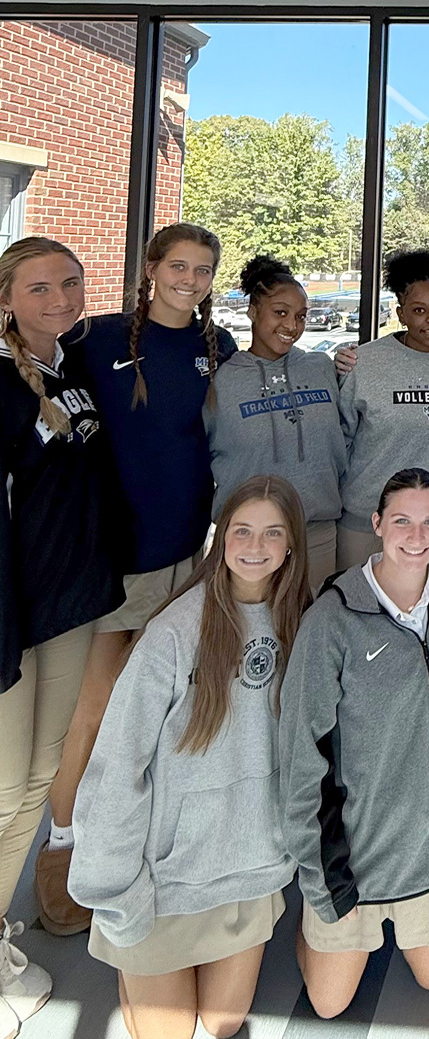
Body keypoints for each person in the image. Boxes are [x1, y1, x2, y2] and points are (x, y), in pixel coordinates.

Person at [37, 222, 238, 936]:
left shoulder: (220, 348)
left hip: (192, 551)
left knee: (158, 704)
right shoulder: (93, 341)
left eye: (204, 269)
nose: (190, 278)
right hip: (120, 557)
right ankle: (61, 842)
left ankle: (134, 829)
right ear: (151, 268)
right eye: (178, 265)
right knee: (93, 710)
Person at [68, 475, 309, 1039]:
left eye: (272, 533)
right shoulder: (172, 634)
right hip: (164, 879)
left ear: (292, 544)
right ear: (220, 537)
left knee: (223, 1026)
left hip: (249, 871)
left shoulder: (304, 625)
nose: (255, 546)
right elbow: (117, 766)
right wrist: (115, 891)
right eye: (241, 530)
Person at [279, 468, 429, 1016]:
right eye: (402, 521)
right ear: (377, 524)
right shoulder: (332, 620)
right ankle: (312, 921)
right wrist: (324, 880)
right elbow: (300, 758)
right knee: (327, 1004)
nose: (417, 537)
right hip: (359, 857)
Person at [0, 238, 122, 1036]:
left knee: (40, 780)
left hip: (72, 600)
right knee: (4, 786)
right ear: (7, 297)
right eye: (39, 286)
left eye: (70, 283)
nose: (60, 296)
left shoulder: (72, 367)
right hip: (14, 608)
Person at [335, 250, 429, 569]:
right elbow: (339, 440)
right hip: (366, 518)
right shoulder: (363, 364)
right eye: (419, 310)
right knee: (356, 613)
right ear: (401, 313)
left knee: (421, 615)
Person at [207, 254, 347, 592]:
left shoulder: (322, 368)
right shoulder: (220, 380)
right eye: (280, 313)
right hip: (249, 539)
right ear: (253, 311)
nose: (292, 326)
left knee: (311, 635)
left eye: (301, 316)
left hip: (317, 533)